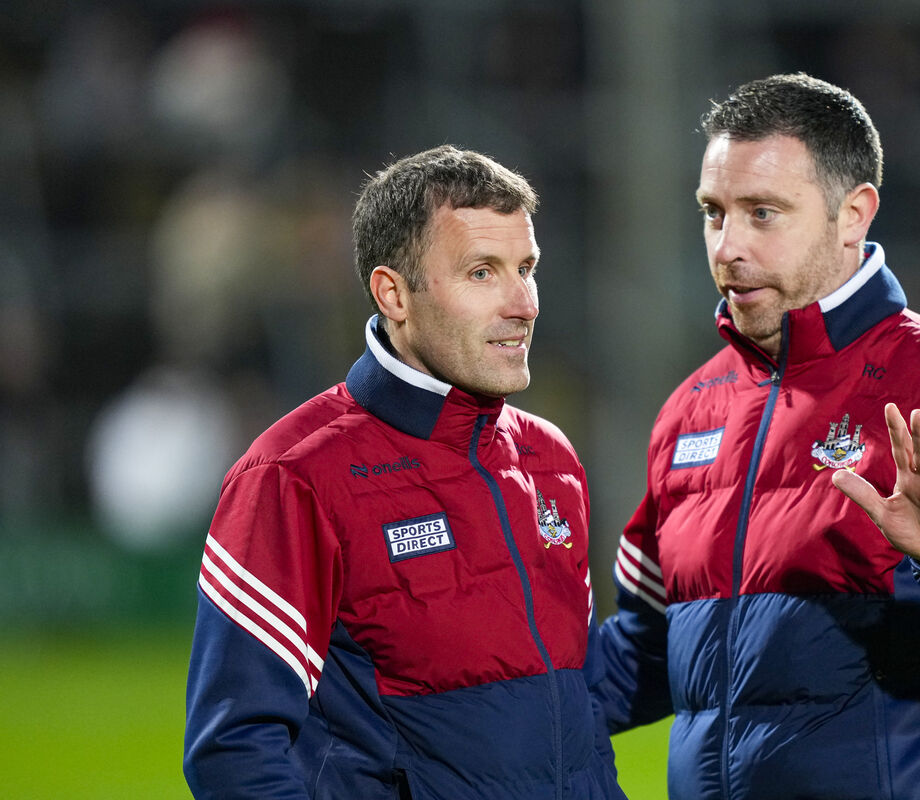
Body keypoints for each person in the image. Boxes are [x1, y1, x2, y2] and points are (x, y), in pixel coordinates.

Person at [592, 73, 920, 800]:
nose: (728, 245)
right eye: (714, 212)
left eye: (763, 213)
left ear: (853, 214)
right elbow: (645, 652)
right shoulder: (691, 411)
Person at [184, 145, 626, 800]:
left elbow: (576, 703)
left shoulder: (550, 459)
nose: (524, 303)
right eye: (482, 273)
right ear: (394, 293)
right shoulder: (293, 476)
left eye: (526, 268)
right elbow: (233, 751)